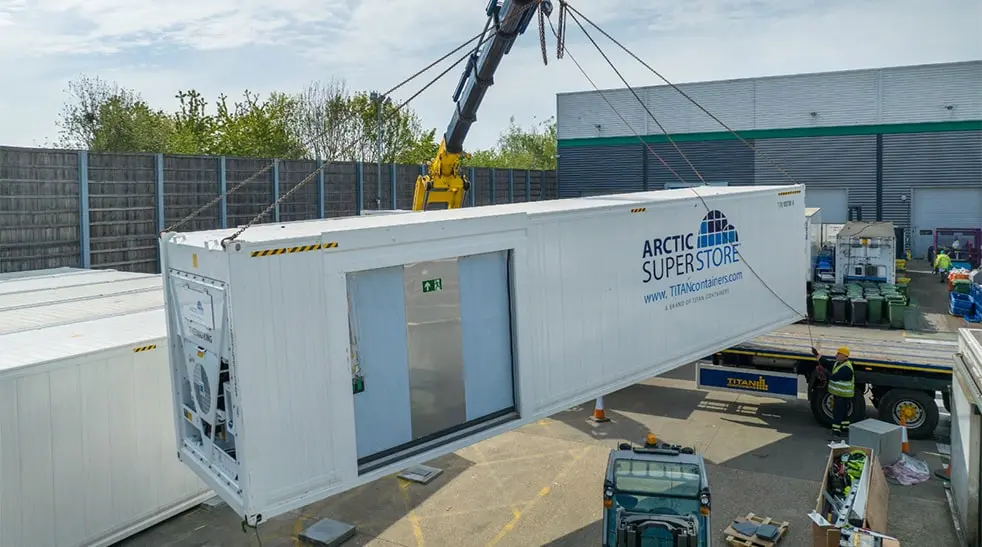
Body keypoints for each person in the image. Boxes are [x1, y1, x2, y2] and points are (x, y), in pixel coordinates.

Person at [810, 346, 855, 439]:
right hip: (841, 394)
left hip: (842, 395)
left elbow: (834, 377)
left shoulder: (846, 368)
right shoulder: (839, 364)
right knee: (843, 414)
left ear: (844, 355)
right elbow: (827, 363)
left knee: (837, 413)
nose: (836, 355)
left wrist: (825, 372)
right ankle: (845, 430)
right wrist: (817, 355)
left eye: (838, 354)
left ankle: (836, 433)